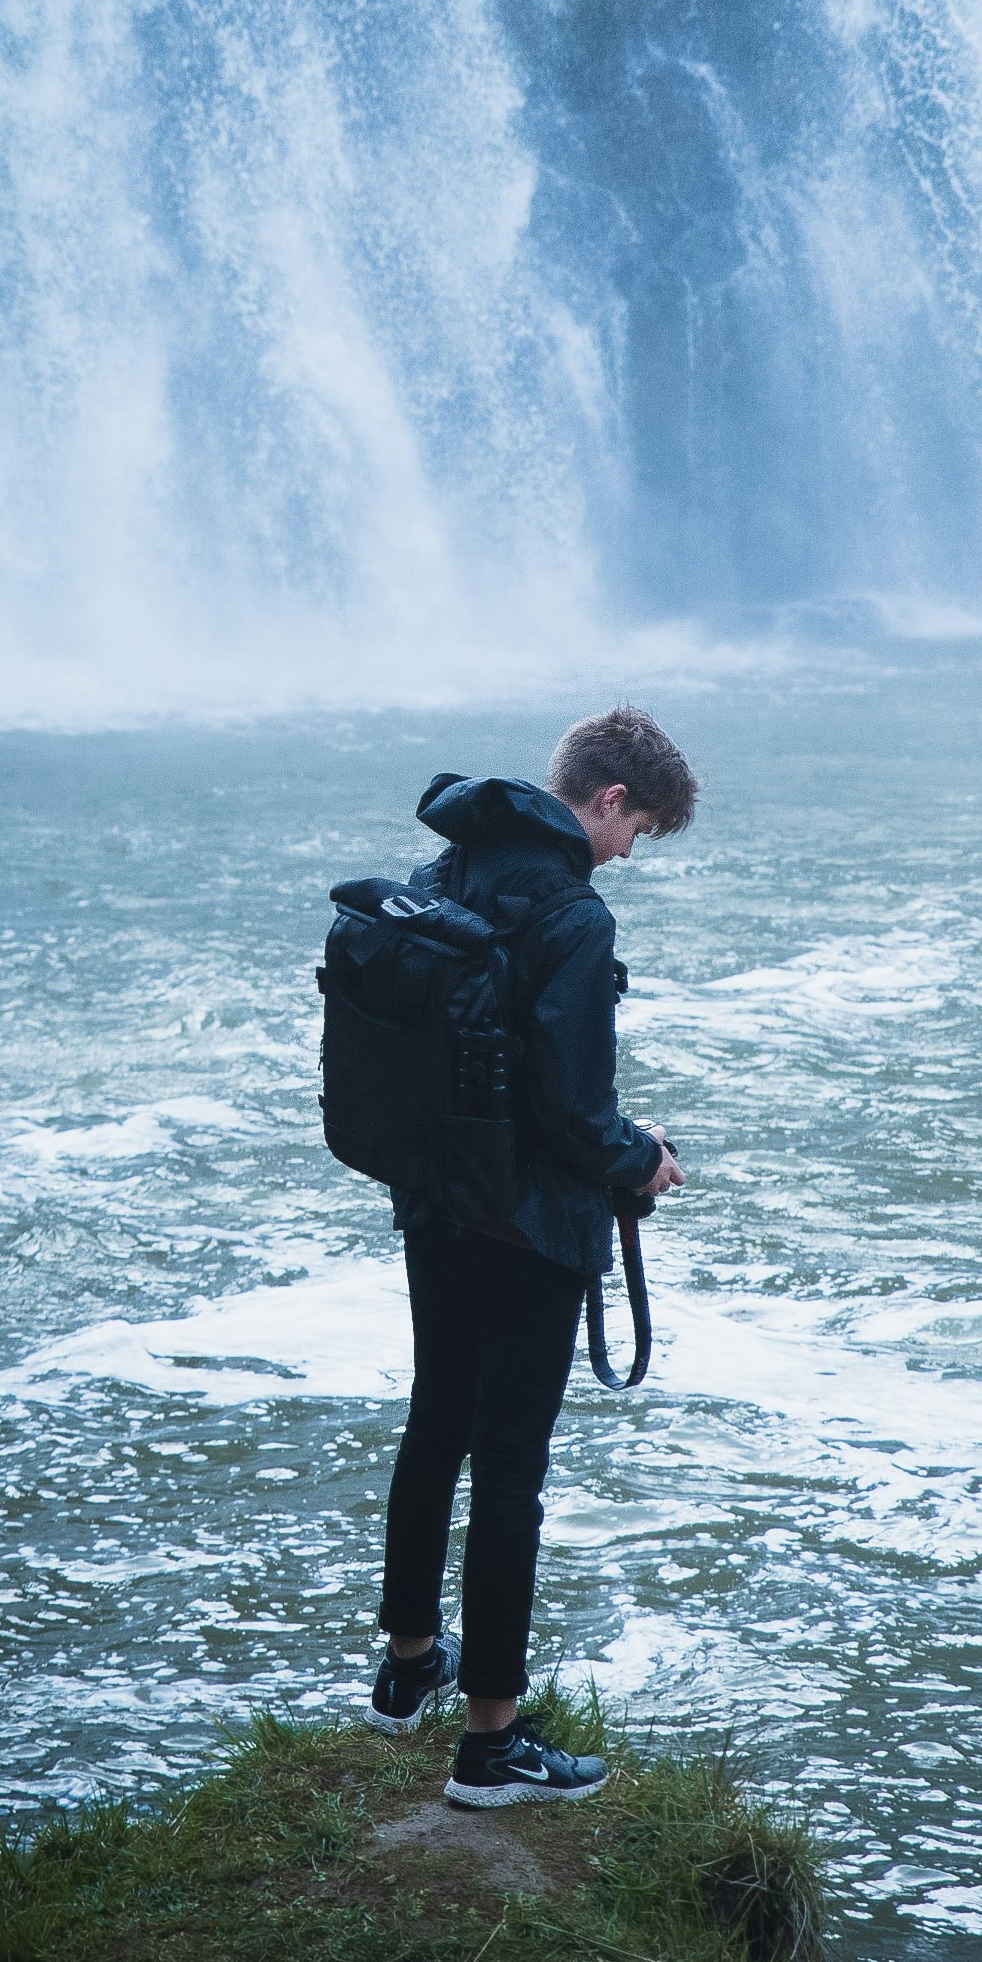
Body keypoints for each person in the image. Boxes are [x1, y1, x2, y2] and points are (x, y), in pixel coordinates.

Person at [362, 705, 697, 1808]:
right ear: (607, 802)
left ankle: (410, 1666)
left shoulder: (446, 869)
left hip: (436, 1203)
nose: (630, 853)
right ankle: (491, 1747)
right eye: (638, 830)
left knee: (435, 1424)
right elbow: (567, 1109)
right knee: (510, 1470)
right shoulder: (570, 917)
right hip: (525, 1227)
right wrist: (636, 1162)